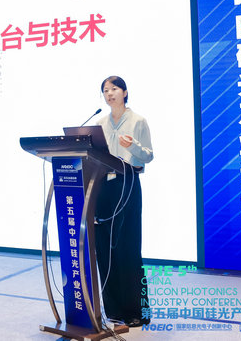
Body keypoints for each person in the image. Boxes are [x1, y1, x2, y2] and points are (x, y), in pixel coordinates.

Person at [94, 75, 153, 328]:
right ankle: (114, 309)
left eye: (114, 88)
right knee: (106, 250)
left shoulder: (138, 121)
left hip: (127, 183)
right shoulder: (99, 123)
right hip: (103, 188)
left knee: (128, 248)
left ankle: (137, 311)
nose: (109, 93)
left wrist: (134, 146)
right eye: (105, 90)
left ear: (125, 92)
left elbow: (148, 156)